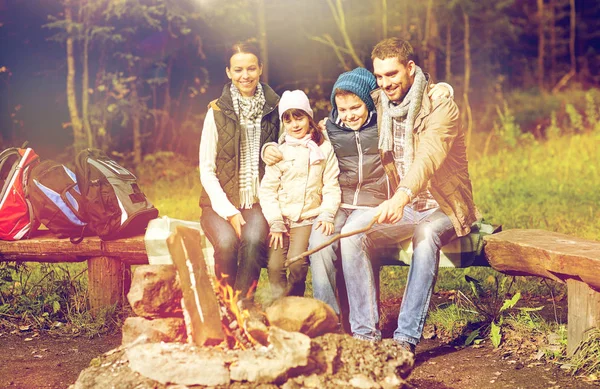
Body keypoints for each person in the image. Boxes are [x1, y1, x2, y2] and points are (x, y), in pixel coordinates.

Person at [340, 38, 480, 355]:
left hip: (445, 207)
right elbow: (346, 112)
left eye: (392, 74)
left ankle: (405, 339)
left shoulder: (441, 106)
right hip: (405, 206)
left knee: (426, 232)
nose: (386, 82)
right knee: (350, 231)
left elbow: (428, 157)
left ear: (410, 68)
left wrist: (400, 196)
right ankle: (365, 338)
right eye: (380, 76)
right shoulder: (380, 103)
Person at [199, 40, 280, 302]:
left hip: (258, 202)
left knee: (254, 240)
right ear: (228, 72)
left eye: (251, 68)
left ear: (260, 69)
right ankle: (225, 306)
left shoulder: (275, 108)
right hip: (218, 203)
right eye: (238, 70)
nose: (245, 76)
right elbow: (207, 170)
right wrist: (229, 211)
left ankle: (243, 307)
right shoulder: (216, 111)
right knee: (226, 244)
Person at [259, 90, 341, 300]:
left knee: (297, 263)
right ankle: (279, 306)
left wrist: (327, 214)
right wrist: (275, 220)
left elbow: (331, 185)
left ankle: (295, 305)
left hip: (307, 218)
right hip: (281, 219)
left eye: (299, 117)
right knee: (275, 265)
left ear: (309, 117)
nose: (295, 125)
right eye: (288, 120)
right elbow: (268, 190)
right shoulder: (279, 151)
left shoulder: (323, 149)